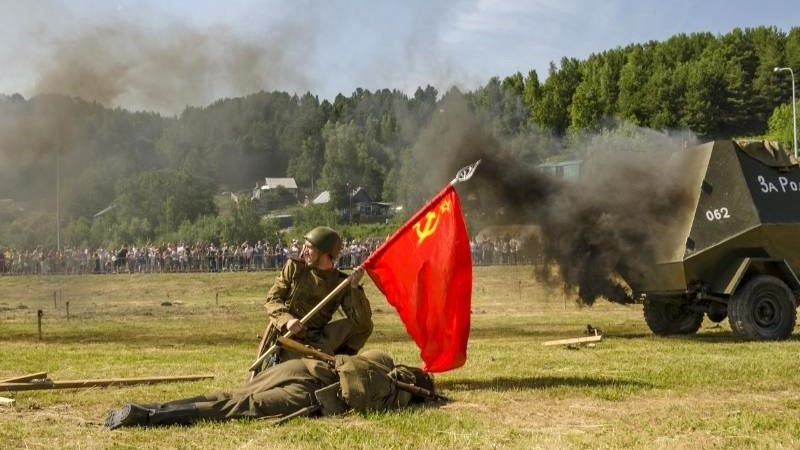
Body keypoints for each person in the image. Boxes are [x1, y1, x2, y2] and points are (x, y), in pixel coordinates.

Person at [104, 349, 438, 429]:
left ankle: (151, 406)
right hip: (309, 395)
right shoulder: (395, 394)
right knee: (236, 406)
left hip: (302, 366)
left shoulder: (381, 359)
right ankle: (147, 416)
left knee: (230, 395)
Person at [261, 226, 373, 365]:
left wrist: (354, 288)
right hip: (286, 335)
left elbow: (362, 322)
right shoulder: (295, 267)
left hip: (317, 338)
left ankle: (339, 359)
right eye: (305, 246)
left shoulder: (341, 283)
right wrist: (287, 321)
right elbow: (272, 299)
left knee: (364, 326)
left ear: (325, 253)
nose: (304, 251)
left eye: (310, 248)